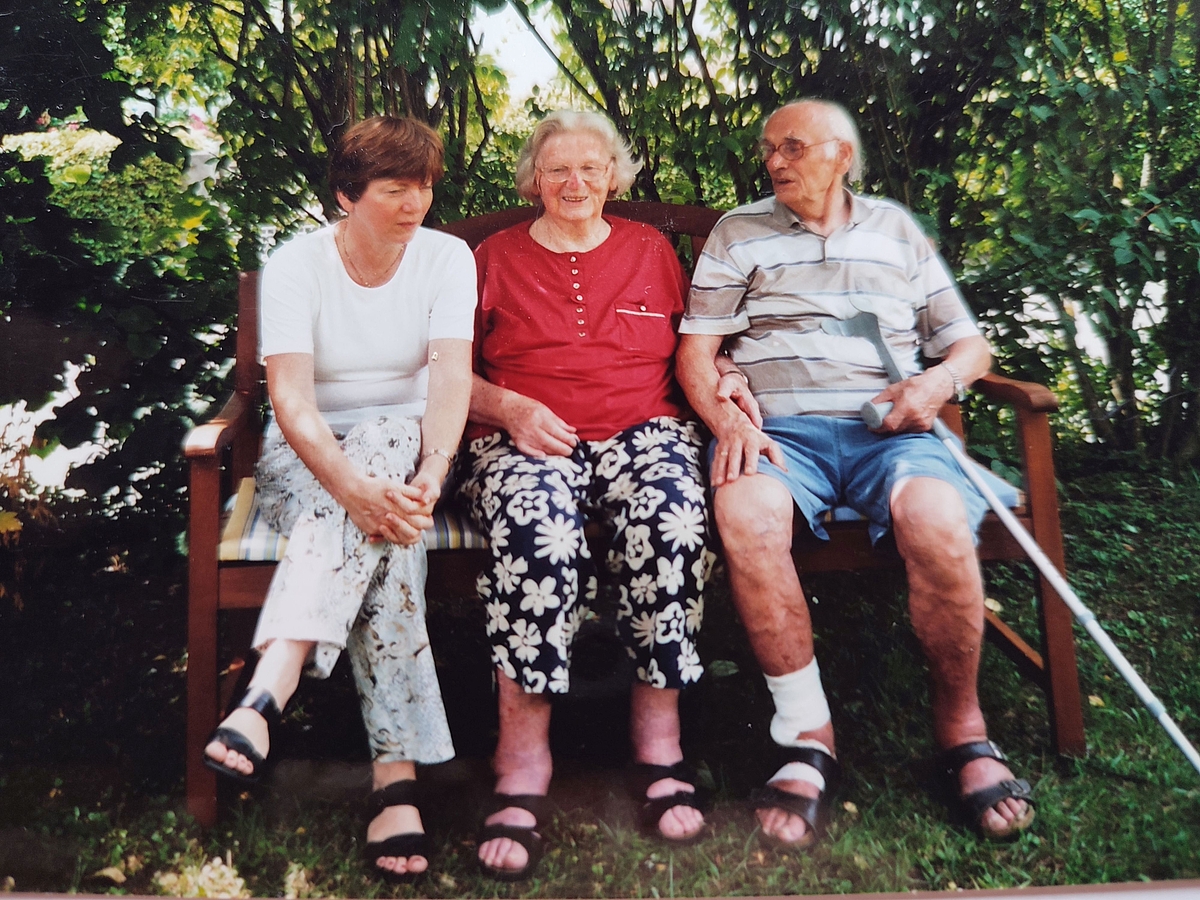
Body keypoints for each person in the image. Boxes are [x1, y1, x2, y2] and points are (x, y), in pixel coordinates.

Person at [676, 98, 1036, 846]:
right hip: (782, 436)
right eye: (770, 149)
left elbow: (967, 347)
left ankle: (963, 731)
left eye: (794, 147)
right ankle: (807, 735)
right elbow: (695, 355)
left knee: (936, 517)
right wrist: (730, 419)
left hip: (893, 434)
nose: (775, 161)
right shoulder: (738, 233)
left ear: (841, 155)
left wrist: (934, 386)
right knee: (746, 515)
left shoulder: (896, 231)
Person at [201, 116, 476, 882]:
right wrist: (349, 486)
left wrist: (437, 464)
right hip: (308, 458)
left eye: (423, 185)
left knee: (391, 439)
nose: (415, 202)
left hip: (411, 452)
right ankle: (397, 784)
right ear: (346, 197)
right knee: (388, 535)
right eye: (395, 189)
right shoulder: (298, 266)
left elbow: (450, 378)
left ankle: (269, 688)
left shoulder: (447, 259)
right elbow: (290, 401)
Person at [456, 110, 720, 880]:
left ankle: (659, 744)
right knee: (538, 533)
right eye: (558, 169)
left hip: (646, 429)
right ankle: (523, 760)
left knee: (672, 519)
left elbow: (699, 351)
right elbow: (447, 375)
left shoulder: (651, 251)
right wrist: (508, 409)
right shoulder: (489, 259)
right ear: (533, 179)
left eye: (592, 167)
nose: (575, 182)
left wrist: (728, 384)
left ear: (615, 176)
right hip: (523, 433)